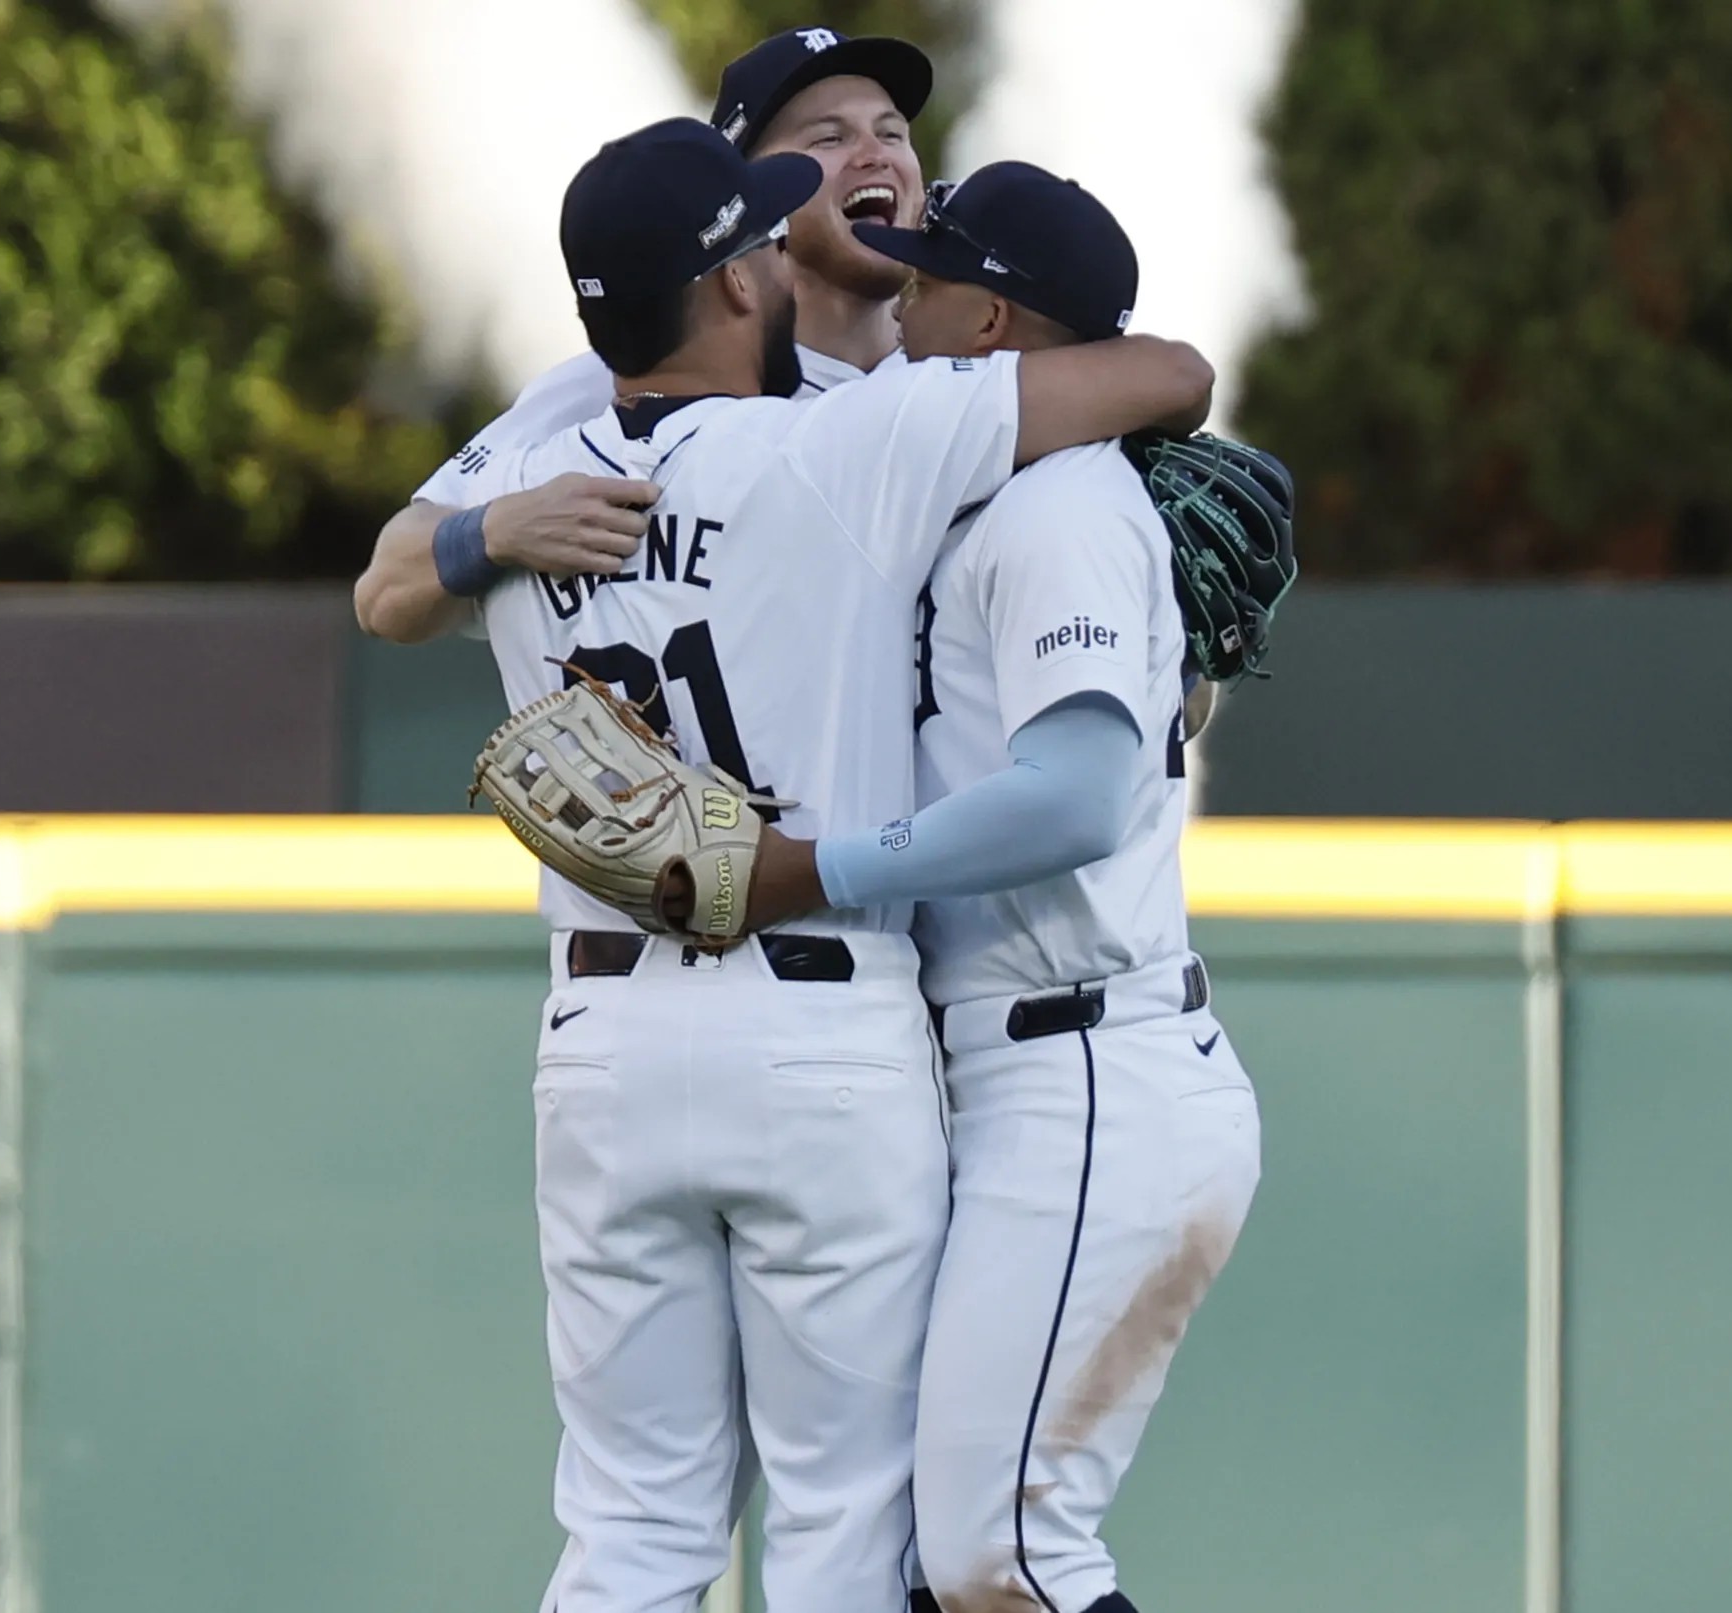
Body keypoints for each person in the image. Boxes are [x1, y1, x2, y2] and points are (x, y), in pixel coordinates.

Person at [432, 116, 1215, 1613]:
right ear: (734, 285)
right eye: (761, 240)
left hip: (600, 1030)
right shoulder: (843, 449)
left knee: (631, 1537)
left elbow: (394, 576)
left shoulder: (524, 484)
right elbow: (1167, 372)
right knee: (848, 1534)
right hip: (818, 1023)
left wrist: (475, 540)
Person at [717, 163, 1265, 1613]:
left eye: (934, 272)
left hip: (1088, 1066)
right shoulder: (977, 490)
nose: (908, 287)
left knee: (1001, 1556)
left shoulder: (1061, 507)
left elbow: (1078, 798)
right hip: (1018, 1065)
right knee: (922, 1558)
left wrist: (815, 873)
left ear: (993, 322)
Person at [355, 27, 938, 646]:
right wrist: (495, 531)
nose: (875, 154)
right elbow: (386, 590)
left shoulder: (970, 364)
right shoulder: (634, 387)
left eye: (892, 131)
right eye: (830, 137)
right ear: (741, 198)